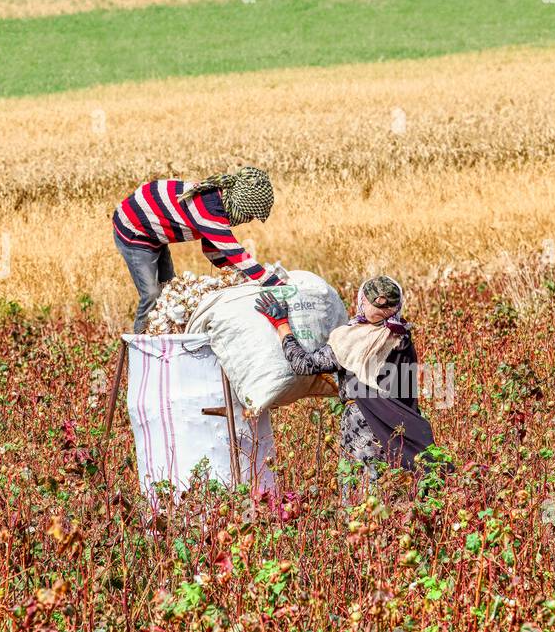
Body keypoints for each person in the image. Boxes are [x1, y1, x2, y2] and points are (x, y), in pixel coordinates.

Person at [253, 275, 435, 486]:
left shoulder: (352, 338)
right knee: (396, 488)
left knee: (362, 490)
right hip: (400, 427)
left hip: (363, 426)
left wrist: (281, 324)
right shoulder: (402, 337)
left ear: (363, 302)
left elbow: (304, 365)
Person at [113, 166, 286, 334]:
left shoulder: (219, 199)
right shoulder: (208, 211)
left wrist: (235, 275)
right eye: (248, 215)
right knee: (152, 294)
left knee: (170, 289)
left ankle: (164, 339)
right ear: (238, 205)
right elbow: (233, 251)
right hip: (133, 230)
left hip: (154, 231)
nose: (247, 220)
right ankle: (139, 343)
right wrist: (269, 280)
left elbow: (212, 250)